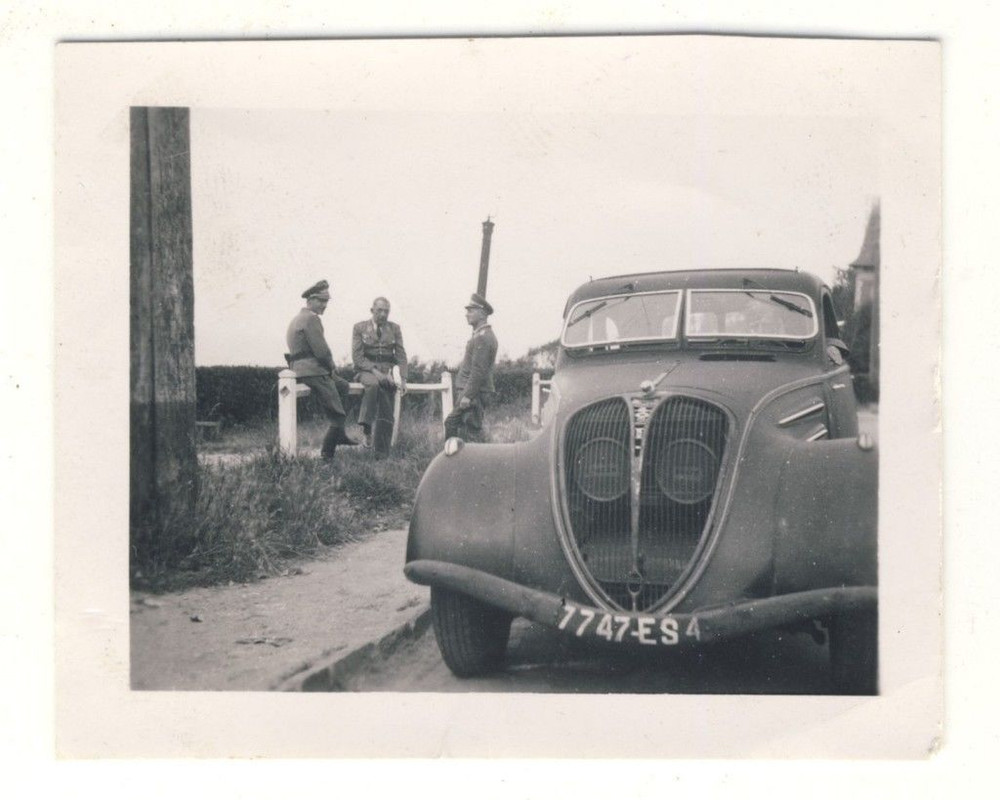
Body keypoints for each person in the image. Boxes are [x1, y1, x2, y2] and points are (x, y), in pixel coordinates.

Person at [285, 279, 359, 460]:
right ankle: (327, 456)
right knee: (338, 414)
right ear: (310, 300)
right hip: (314, 371)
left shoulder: (297, 318)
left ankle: (340, 435)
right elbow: (322, 351)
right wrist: (332, 367)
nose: (325, 305)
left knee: (342, 386)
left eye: (326, 301)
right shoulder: (311, 319)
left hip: (302, 370)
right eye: (321, 301)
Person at [352, 296, 408, 452]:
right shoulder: (359, 328)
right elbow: (357, 357)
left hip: (388, 371)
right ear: (372, 310)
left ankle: (381, 451)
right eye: (379, 310)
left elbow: (401, 354)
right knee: (374, 384)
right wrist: (375, 372)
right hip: (366, 370)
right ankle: (367, 429)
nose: (383, 314)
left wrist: (403, 378)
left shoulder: (394, 328)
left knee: (387, 397)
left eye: (386, 311)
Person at [444, 293, 498, 442]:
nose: (466, 314)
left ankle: (458, 463)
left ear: (482, 314)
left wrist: (467, 396)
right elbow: (474, 365)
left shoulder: (482, 337)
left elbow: (478, 371)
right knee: (462, 430)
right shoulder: (480, 335)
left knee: (465, 430)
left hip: (474, 393)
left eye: (470, 310)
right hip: (473, 391)